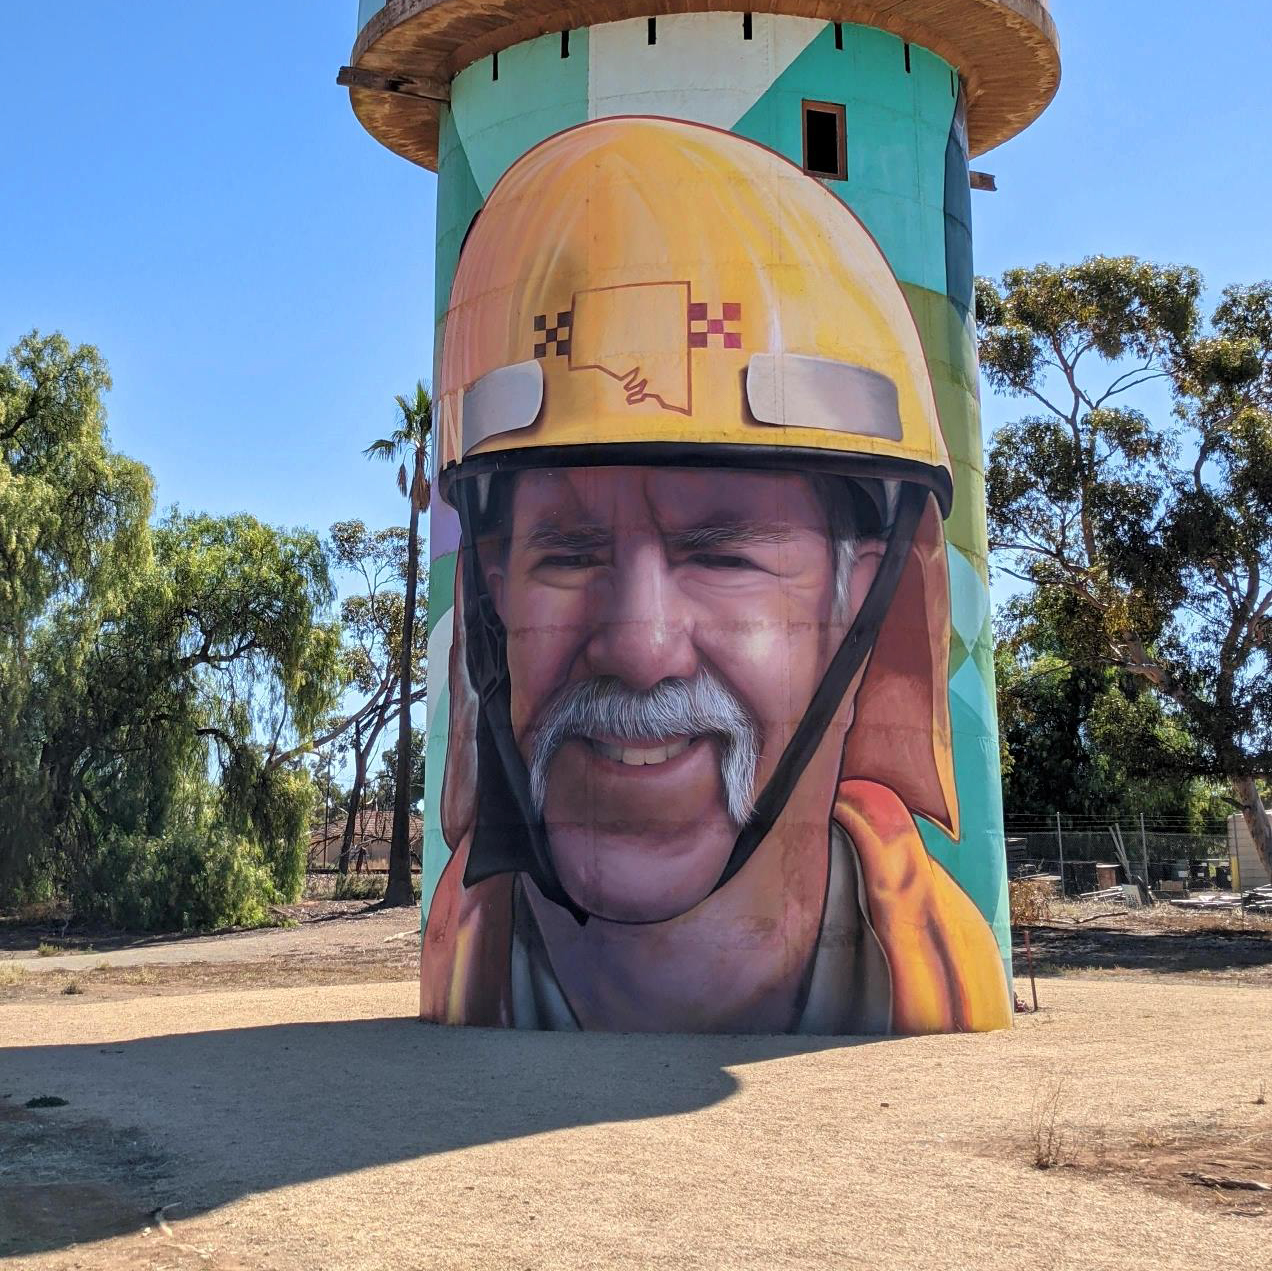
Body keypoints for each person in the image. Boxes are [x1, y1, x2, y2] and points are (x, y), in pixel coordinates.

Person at [422, 115, 1009, 1034]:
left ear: (865, 590)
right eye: (568, 553)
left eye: (724, 552)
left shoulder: (949, 968)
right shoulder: (457, 956)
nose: (641, 647)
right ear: (490, 587)